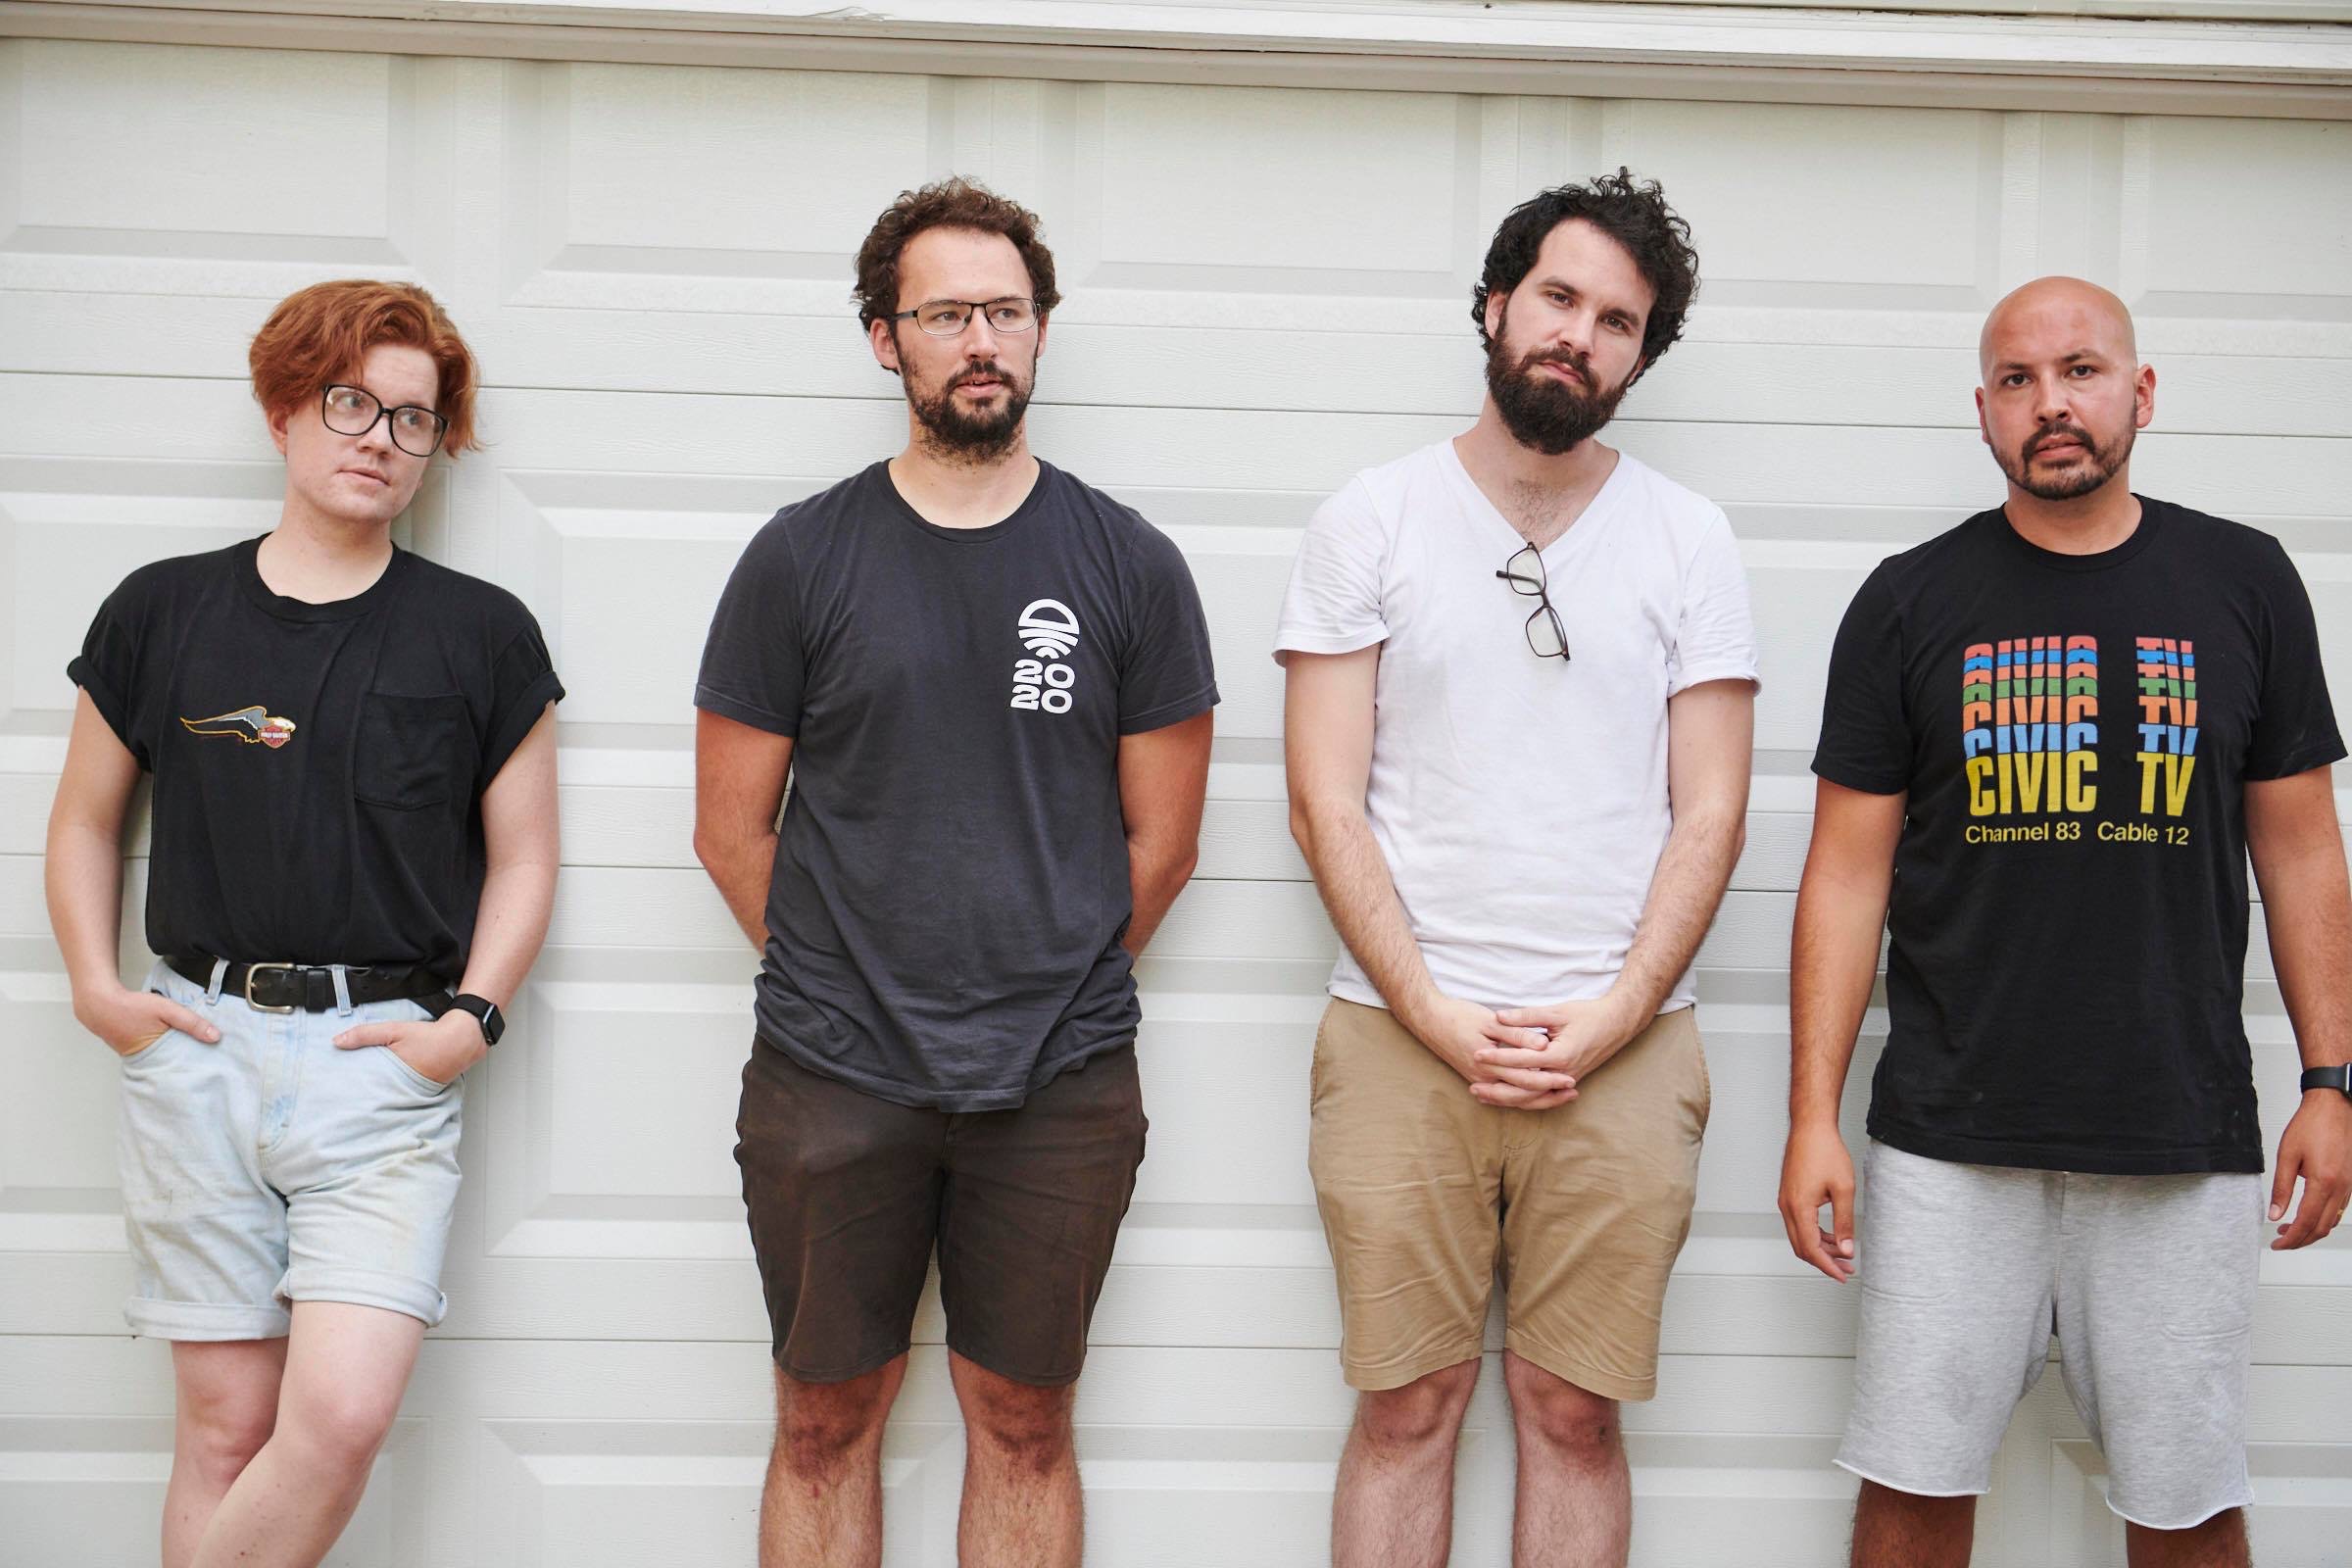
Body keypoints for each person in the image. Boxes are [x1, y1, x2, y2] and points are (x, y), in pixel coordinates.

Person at [1780, 275, 2352, 1568]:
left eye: (2081, 371)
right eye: (2019, 380)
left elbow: (2302, 850)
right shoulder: (1908, 601)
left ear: (2139, 393)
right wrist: (1813, 1116)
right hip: (1948, 1141)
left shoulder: (2246, 581)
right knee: (1910, 1496)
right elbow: (1845, 877)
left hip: (2177, 1137)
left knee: (2187, 1507)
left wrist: (2333, 1081)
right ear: (1984, 410)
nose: (2052, 404)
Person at [692, 176, 1218, 1568]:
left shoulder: (1131, 565)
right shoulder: (799, 559)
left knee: (1026, 1422)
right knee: (822, 1421)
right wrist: (845, 983)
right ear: (886, 338)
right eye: (945, 315)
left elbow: (1165, 842)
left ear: (1041, 328)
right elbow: (730, 831)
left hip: (1059, 1079)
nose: (982, 340)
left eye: (1007, 311)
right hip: (830, 1071)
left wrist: (1049, 982)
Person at [1277, 171, 1757, 1568]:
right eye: (1558, 298)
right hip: (1397, 1035)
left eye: (1618, 322)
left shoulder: (1688, 537)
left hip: (1623, 1043)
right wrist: (1433, 1012)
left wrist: (1613, 1016)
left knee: (1573, 1416)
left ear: (1641, 357)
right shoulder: (1372, 517)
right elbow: (1322, 800)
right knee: (1405, 1409)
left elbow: (1712, 813)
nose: (1578, 337)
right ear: (1495, 304)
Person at [45, 278, 563, 1568]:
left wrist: (471, 1020)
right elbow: (85, 822)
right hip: (197, 1053)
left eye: (413, 418)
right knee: (224, 1432)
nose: (381, 438)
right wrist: (99, 991)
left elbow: (526, 854)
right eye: (350, 404)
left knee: (338, 1421)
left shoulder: (481, 633)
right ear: (282, 412)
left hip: (379, 1068)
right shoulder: (162, 610)